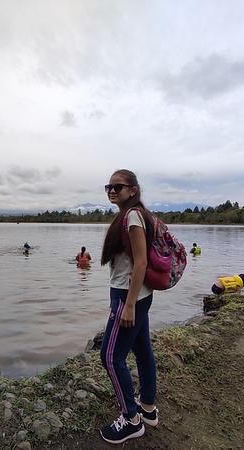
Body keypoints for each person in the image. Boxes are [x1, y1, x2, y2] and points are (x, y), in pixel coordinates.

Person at [98, 169, 158, 445]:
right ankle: (147, 407)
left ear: (133, 190)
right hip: (140, 293)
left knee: (110, 357)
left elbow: (141, 263)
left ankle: (131, 420)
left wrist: (129, 305)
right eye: (108, 186)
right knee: (142, 350)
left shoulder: (133, 216)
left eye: (118, 187)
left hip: (128, 295)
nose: (112, 191)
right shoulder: (134, 214)